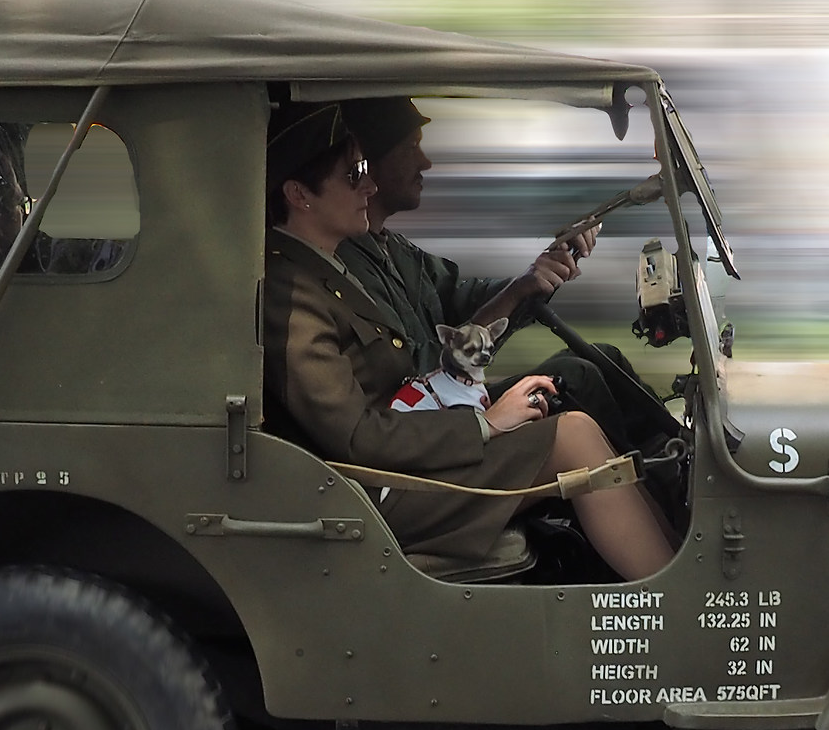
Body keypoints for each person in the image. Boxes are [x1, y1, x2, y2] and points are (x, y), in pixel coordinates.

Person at [261, 103, 673, 581]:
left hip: (414, 452)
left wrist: (531, 282)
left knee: (574, 412)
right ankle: (681, 607)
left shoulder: (330, 267)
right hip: (380, 490)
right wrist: (486, 425)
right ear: (298, 194)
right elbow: (357, 437)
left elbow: (452, 312)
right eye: (355, 174)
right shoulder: (290, 292)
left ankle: (677, 566)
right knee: (572, 433)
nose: (369, 185)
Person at [337, 97, 656, 453]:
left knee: (604, 357)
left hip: (452, 402)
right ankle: (651, 482)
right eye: (412, 147)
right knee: (577, 377)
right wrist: (518, 291)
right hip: (434, 422)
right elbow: (416, 367)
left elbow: (467, 297)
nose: (425, 162)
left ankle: (670, 461)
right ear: (369, 164)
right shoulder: (348, 268)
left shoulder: (395, 250)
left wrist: (539, 273)